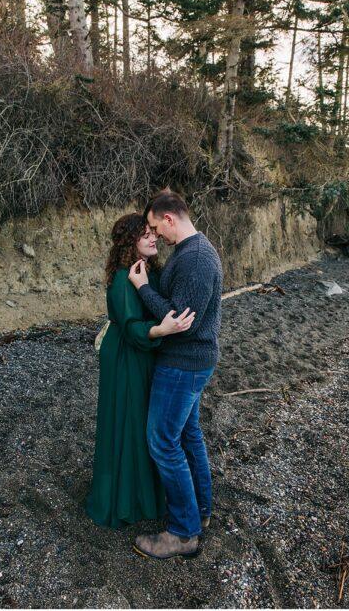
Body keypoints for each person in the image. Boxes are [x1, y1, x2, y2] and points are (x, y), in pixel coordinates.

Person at [127, 188, 223, 560]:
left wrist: (143, 287)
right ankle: (200, 512)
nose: (156, 235)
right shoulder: (189, 252)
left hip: (184, 361)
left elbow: (177, 320)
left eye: (155, 226)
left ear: (169, 218)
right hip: (192, 360)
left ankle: (184, 532)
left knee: (163, 441)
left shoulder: (196, 257)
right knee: (187, 434)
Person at [86, 212, 195, 529]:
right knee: (128, 424)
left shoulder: (148, 271)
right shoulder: (123, 278)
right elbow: (133, 328)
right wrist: (163, 331)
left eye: (153, 232)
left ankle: (147, 495)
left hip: (144, 358)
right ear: (129, 242)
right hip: (126, 359)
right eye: (145, 234)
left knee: (143, 425)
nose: (153, 237)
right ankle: (125, 500)